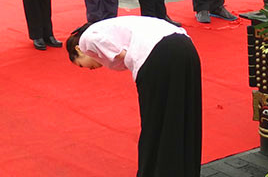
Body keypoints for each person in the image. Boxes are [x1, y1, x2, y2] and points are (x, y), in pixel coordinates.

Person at [67, 16, 201, 177]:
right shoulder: (112, 26)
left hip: (158, 55)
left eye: (82, 65)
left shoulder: (86, 40)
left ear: (78, 50)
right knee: (185, 111)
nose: (90, 69)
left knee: (156, 122)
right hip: (185, 46)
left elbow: (121, 53)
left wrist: (125, 55)